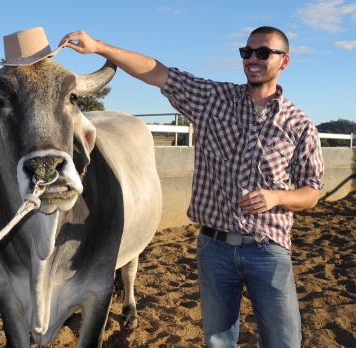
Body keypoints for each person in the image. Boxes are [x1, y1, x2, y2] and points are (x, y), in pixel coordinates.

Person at [59, 26, 324, 347]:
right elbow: (158, 73)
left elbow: (312, 191)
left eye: (263, 53)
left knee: (283, 340)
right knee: (218, 341)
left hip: (268, 249)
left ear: (284, 61)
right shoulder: (215, 100)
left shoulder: (300, 126)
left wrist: (277, 197)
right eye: (247, 52)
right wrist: (99, 47)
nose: (253, 59)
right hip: (215, 250)